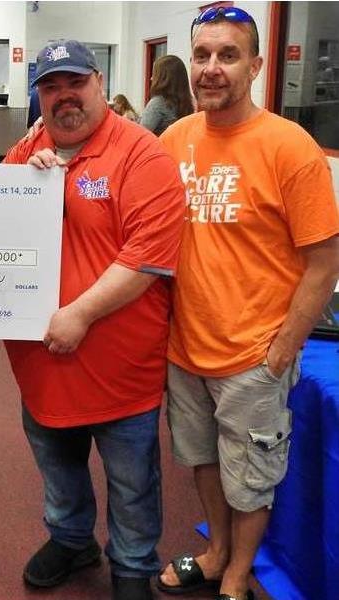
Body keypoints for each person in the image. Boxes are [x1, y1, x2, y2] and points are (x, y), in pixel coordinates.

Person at [156, 7, 339, 600]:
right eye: (203, 55)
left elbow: (325, 260)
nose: (212, 68)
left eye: (228, 55)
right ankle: (216, 555)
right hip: (185, 348)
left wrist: (284, 348)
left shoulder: (290, 147)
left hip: (253, 356)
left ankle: (238, 575)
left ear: (256, 65)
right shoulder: (174, 140)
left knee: (252, 479)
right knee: (203, 461)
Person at [3, 39, 185, 600]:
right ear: (39, 96)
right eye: (51, 87)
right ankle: (71, 539)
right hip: (42, 363)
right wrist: (29, 184)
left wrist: (79, 313)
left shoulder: (143, 155)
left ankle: (132, 567)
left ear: (100, 84)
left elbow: (147, 259)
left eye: (75, 83)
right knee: (58, 465)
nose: (64, 98)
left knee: (131, 480)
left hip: (119, 365)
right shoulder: (25, 155)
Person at [139, 55, 194, 135]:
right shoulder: (190, 103)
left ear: (163, 78)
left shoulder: (157, 103)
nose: (151, 78)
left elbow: (141, 136)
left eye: (155, 74)